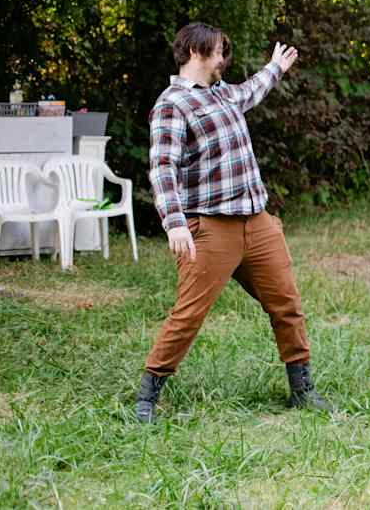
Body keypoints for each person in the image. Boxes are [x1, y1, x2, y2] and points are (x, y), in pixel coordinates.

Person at [134, 21, 328, 423]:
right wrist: (175, 223)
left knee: (287, 304)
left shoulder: (223, 94)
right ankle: (147, 398)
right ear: (194, 52)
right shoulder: (173, 104)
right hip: (210, 228)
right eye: (219, 52)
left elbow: (251, 91)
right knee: (188, 314)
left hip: (257, 224)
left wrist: (275, 67)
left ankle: (302, 391)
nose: (224, 59)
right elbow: (162, 168)